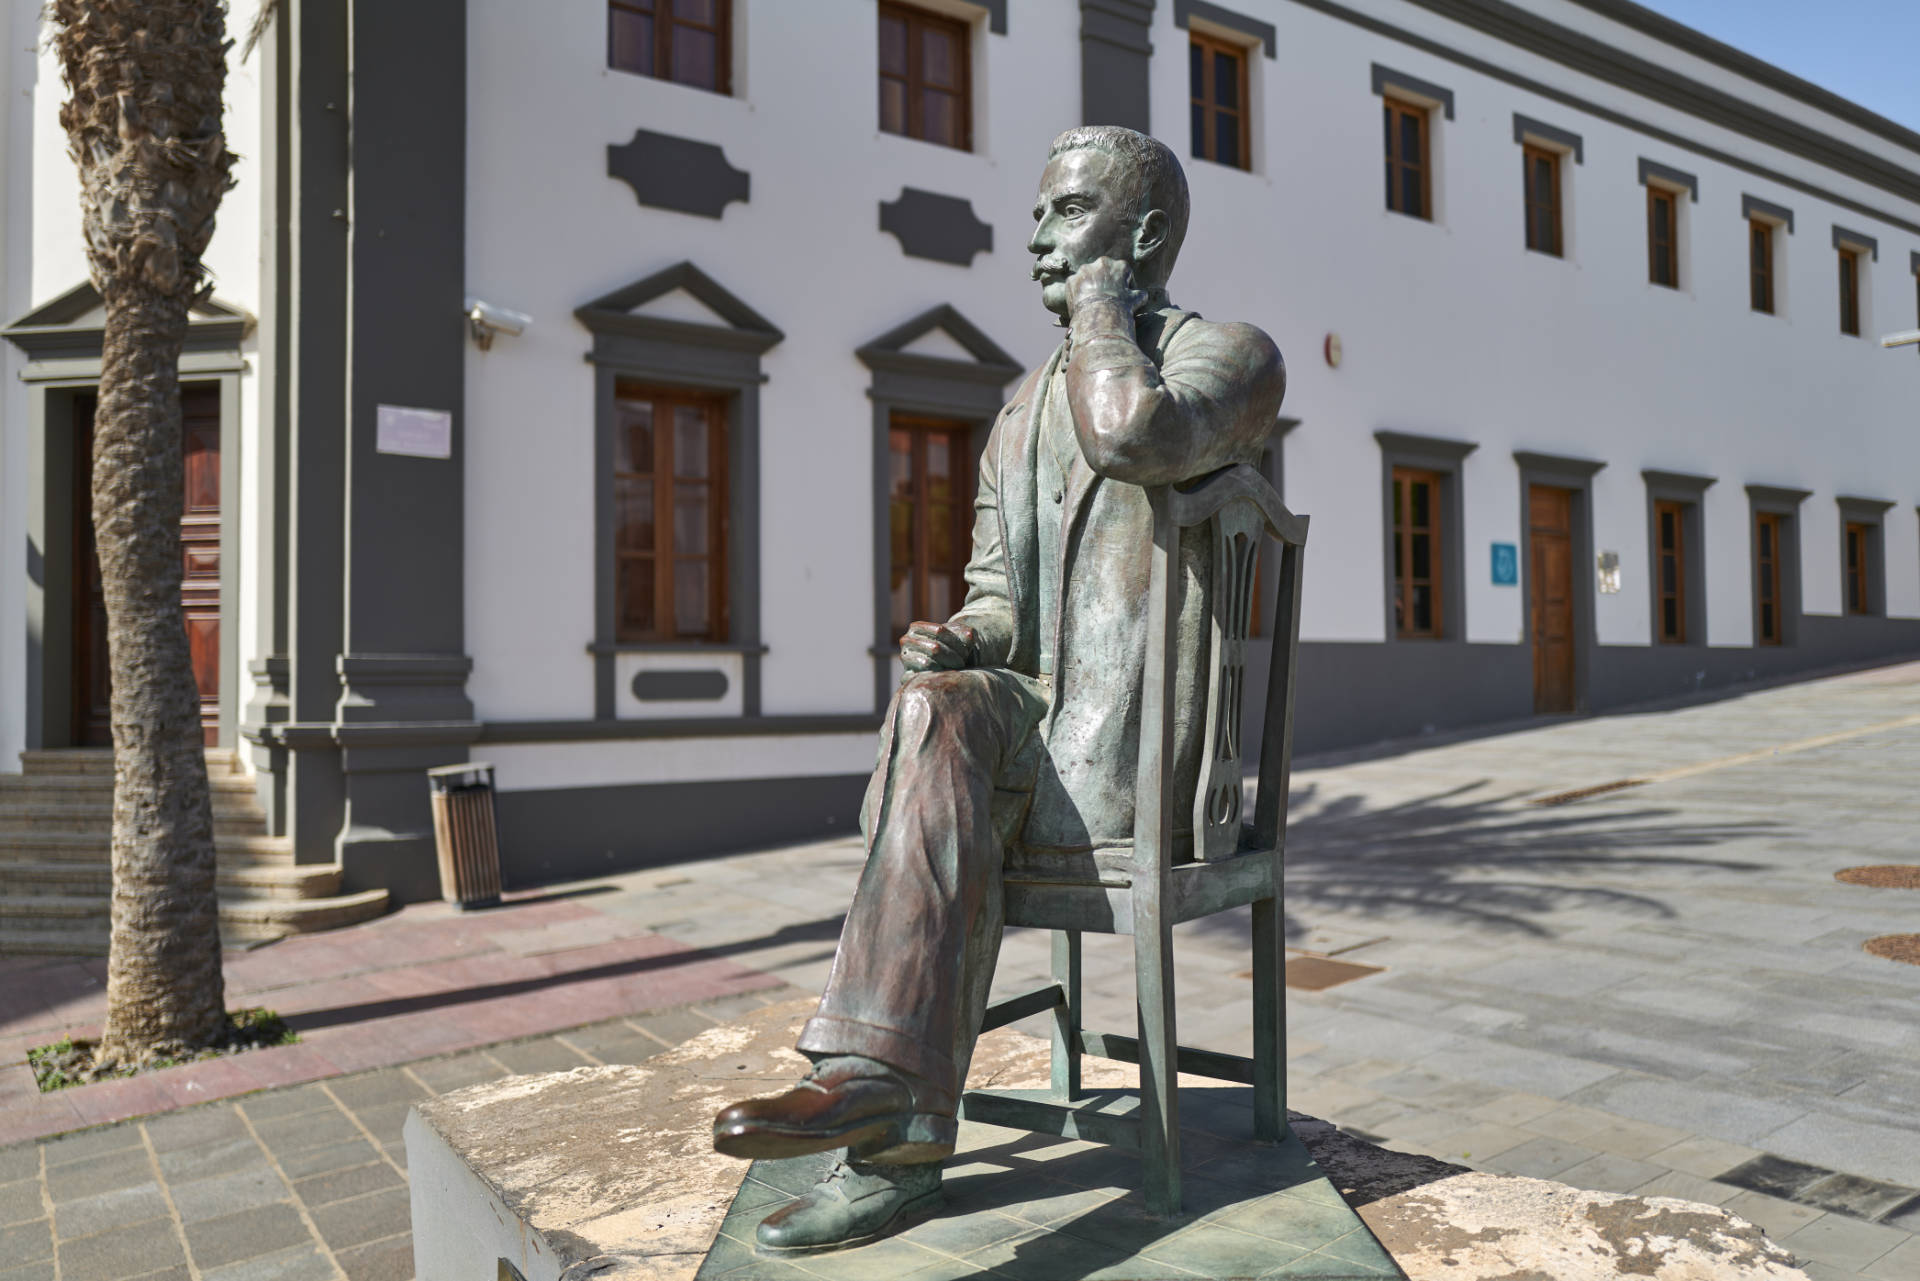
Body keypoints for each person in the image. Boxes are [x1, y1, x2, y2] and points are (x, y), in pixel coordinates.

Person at [711, 125, 1287, 1253]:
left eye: (1067, 213)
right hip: (1027, 754)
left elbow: (1137, 436)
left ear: (1148, 236)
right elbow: (999, 602)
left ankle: (893, 1128)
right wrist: (958, 636)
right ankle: (880, 1098)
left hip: (1143, 765)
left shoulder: (1233, 358)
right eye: (1037, 213)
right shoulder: (1022, 415)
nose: (1034, 238)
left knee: (937, 759)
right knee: (932, 706)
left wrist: (1101, 314)